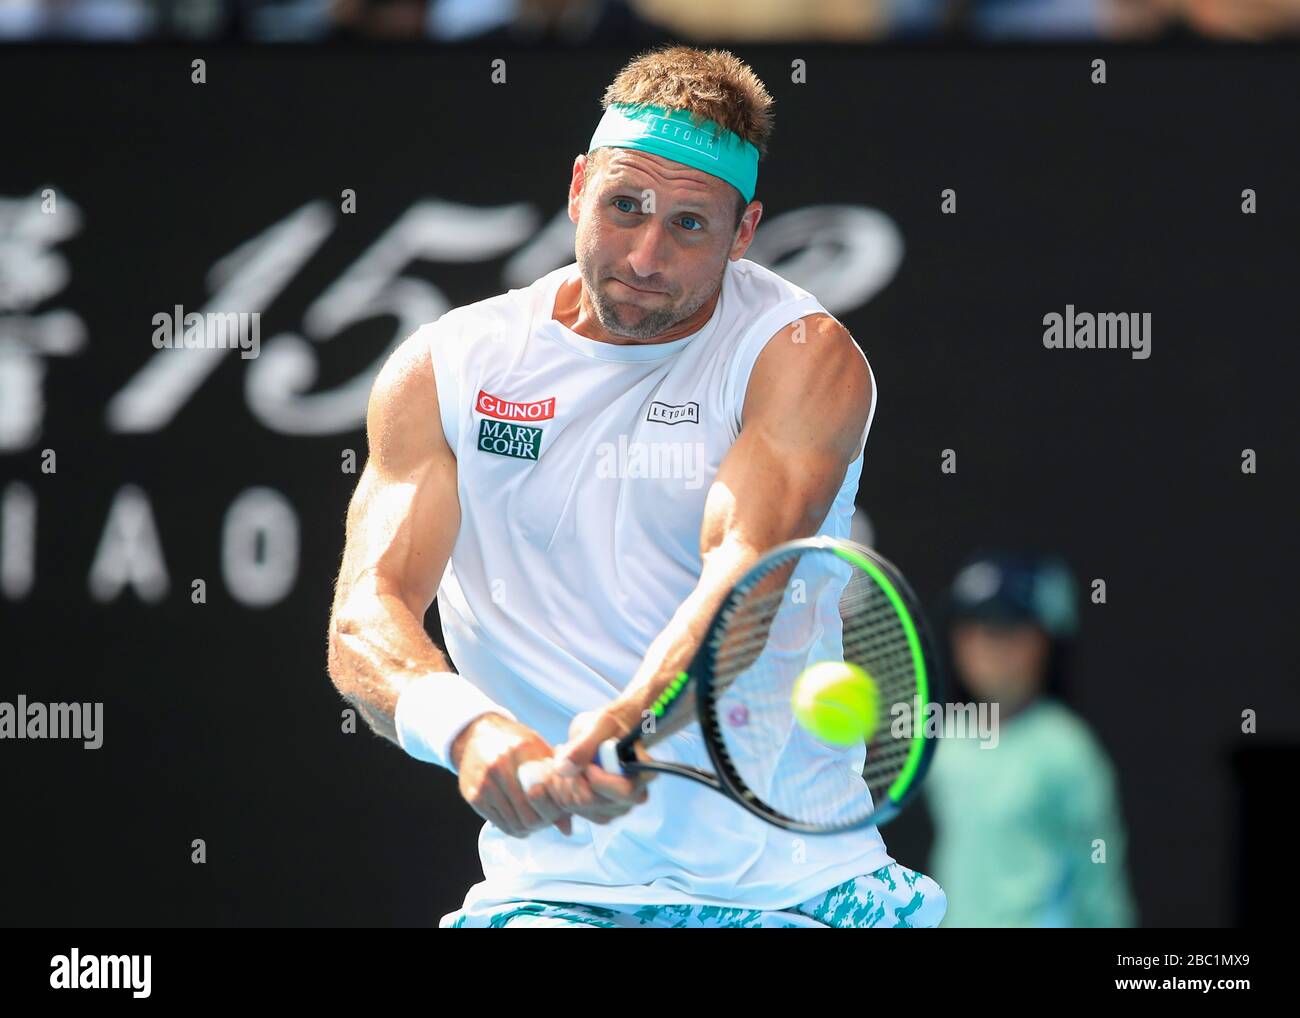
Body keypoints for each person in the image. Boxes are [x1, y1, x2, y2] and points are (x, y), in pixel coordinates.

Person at [327, 44, 945, 928]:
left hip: (798, 892)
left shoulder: (802, 358)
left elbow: (745, 581)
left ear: (744, 231)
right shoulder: (446, 367)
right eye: (625, 207)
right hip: (549, 895)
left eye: (691, 224)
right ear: (579, 188)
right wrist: (465, 727)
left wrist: (627, 724)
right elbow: (365, 615)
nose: (647, 254)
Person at [926, 553, 1137, 927]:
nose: (982, 644)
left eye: (1004, 627)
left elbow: (1100, 890)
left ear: (1046, 641)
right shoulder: (946, 738)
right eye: (970, 626)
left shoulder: (1069, 750)